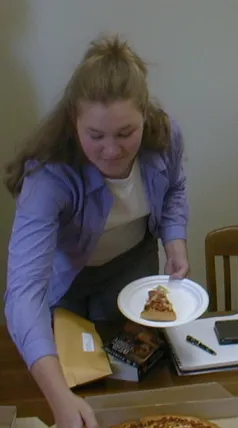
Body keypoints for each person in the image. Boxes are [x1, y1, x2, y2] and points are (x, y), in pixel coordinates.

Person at [3, 34, 189, 428]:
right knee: (77, 377)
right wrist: (58, 399)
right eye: (96, 136)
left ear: (144, 116)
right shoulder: (48, 174)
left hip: (131, 267)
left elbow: (175, 189)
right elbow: (23, 294)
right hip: (67, 278)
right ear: (75, 123)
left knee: (131, 374)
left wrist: (175, 237)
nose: (111, 150)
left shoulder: (165, 137)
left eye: (126, 134)